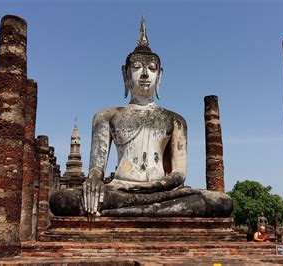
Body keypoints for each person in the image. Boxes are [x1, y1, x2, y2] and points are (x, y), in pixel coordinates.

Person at [49, 16, 232, 217]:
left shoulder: (175, 120)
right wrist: (93, 180)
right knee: (61, 200)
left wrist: (156, 185)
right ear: (125, 74)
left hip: (163, 192)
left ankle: (130, 211)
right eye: (137, 67)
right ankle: (145, 211)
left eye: (151, 69)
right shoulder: (106, 116)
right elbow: (96, 170)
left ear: (159, 76)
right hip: (120, 189)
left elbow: (179, 174)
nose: (145, 74)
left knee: (221, 201)